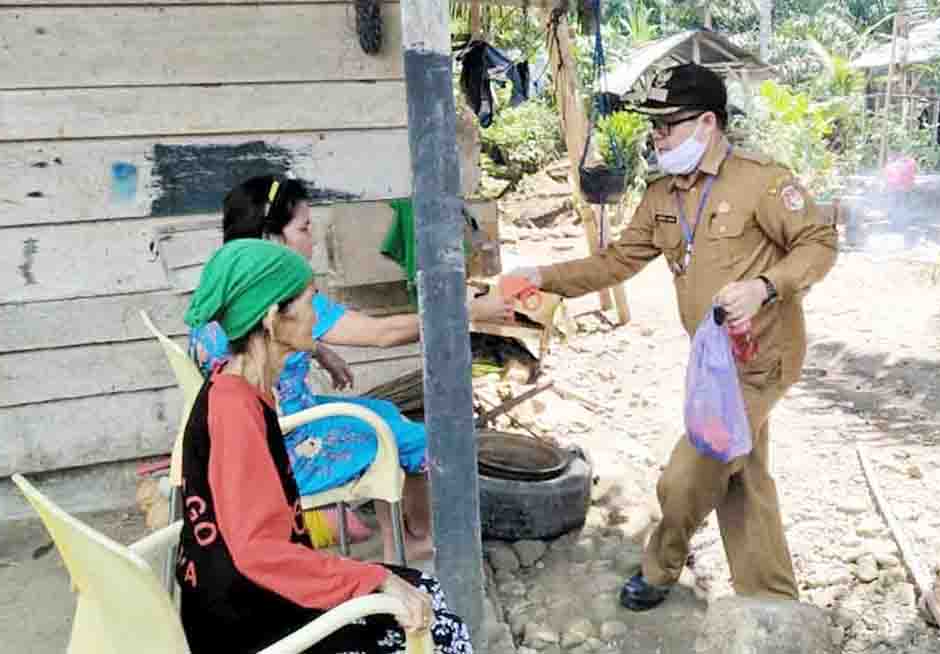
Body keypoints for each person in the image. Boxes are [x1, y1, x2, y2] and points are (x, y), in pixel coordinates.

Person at [509, 64, 838, 609]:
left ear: (707, 123)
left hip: (762, 359)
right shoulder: (662, 195)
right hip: (712, 361)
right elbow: (616, 262)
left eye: (668, 125)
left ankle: (661, 567)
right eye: (653, 127)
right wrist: (544, 278)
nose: (656, 137)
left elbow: (819, 245)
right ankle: (772, 598)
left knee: (688, 472)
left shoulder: (761, 181)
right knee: (742, 471)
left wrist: (764, 286)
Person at [188, 176, 512, 563]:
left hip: (250, 429)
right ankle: (416, 538)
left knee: (384, 414)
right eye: (304, 228)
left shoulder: (224, 281)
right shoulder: (285, 292)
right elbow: (381, 334)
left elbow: (255, 339)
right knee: (411, 439)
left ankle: (404, 535)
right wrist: (467, 311)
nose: (313, 238)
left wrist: (319, 350)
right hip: (285, 441)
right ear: (273, 239)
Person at [178, 239, 472, 654]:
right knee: (443, 633)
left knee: (426, 591)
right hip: (248, 617)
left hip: (249, 586)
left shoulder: (241, 384)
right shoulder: (234, 409)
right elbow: (257, 552)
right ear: (271, 318)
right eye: (310, 302)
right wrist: (374, 579)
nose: (317, 316)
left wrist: (369, 577)